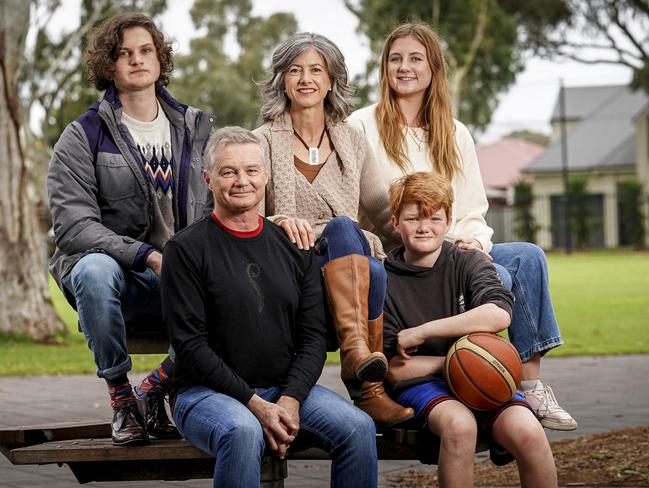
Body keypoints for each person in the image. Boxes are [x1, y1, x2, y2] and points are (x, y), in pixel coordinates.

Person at [347, 22, 577, 431]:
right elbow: (357, 205)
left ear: (433, 68)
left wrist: (475, 241)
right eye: (395, 59)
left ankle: (530, 382)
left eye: (415, 58)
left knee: (525, 257)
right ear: (384, 68)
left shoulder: (454, 133)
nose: (404, 67)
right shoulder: (361, 126)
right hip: (398, 256)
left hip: (455, 246)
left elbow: (472, 205)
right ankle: (480, 376)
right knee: (498, 279)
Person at [162, 126, 378, 488]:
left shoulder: (295, 246)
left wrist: (290, 400)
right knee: (243, 430)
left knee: (358, 428)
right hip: (203, 394)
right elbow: (190, 346)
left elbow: (312, 339)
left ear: (265, 176)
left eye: (251, 170)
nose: (241, 180)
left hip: (283, 390)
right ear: (208, 179)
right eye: (228, 172)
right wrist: (254, 403)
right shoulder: (185, 250)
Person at [47, 13, 213, 445]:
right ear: (109, 66)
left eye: (145, 51)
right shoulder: (82, 135)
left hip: (183, 277)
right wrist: (147, 255)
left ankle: (155, 389)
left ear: (160, 59)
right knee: (93, 270)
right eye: (124, 54)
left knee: (229, 279)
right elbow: (73, 227)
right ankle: (123, 401)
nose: (137, 61)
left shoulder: (198, 129)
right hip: (122, 278)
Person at [254, 32, 413, 426]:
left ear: (330, 80)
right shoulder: (260, 141)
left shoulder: (352, 139)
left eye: (315, 70)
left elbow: (379, 209)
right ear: (283, 80)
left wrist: (431, 242)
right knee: (352, 239)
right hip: (291, 258)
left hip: (344, 259)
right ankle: (365, 383)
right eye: (295, 70)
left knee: (363, 252)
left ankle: (364, 372)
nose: (305, 79)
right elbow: (251, 217)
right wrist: (278, 220)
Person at [383, 171, 558, 488]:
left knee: (529, 431)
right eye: (412, 219)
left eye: (435, 219)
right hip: (426, 385)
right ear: (395, 222)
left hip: (484, 381)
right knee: (459, 426)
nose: (424, 227)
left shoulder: (468, 262)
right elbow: (396, 371)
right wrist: (462, 365)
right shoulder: (384, 280)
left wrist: (424, 332)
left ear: (449, 221)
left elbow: (498, 314)